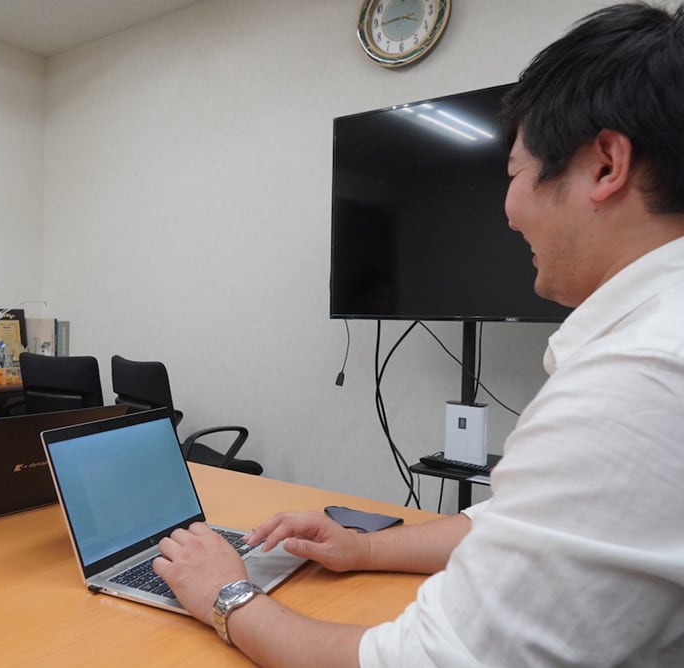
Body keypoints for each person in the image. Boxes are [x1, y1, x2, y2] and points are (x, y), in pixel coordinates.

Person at [153, 3, 684, 665]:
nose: (509, 212)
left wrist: (226, 595)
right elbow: (516, 527)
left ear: (605, 165)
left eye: (514, 174)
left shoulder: (637, 378)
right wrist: (362, 548)